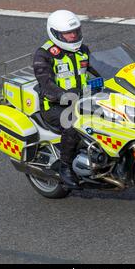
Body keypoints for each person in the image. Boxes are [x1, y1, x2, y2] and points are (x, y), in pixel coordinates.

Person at [33, 10, 93, 189]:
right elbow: (45, 83)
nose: (73, 35)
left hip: (82, 100)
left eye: (75, 31)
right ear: (55, 33)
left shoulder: (83, 50)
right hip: (54, 106)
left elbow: (102, 69)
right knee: (74, 123)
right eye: (68, 33)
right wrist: (62, 95)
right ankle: (65, 166)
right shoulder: (44, 55)